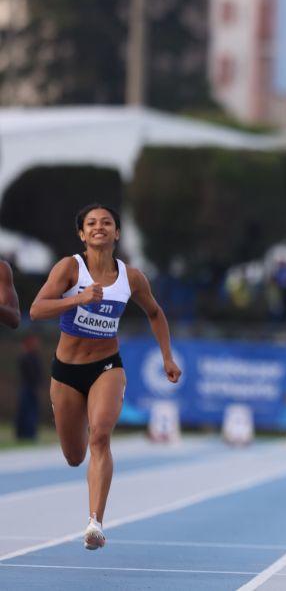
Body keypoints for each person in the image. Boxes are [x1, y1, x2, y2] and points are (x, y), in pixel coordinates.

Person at [29, 204, 181, 551]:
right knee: (74, 455)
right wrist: (79, 298)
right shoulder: (70, 267)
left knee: (100, 437)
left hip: (106, 367)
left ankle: (95, 522)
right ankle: (73, 422)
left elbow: (155, 313)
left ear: (117, 233)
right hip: (66, 371)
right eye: (91, 224)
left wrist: (168, 358)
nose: (99, 227)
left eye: (106, 223)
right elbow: (37, 309)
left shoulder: (131, 277)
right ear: (82, 234)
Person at [16, 334, 42, 441]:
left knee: (31, 411)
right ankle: (24, 434)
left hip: (31, 387)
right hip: (27, 387)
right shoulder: (25, 357)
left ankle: (30, 434)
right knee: (27, 411)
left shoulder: (34, 357)